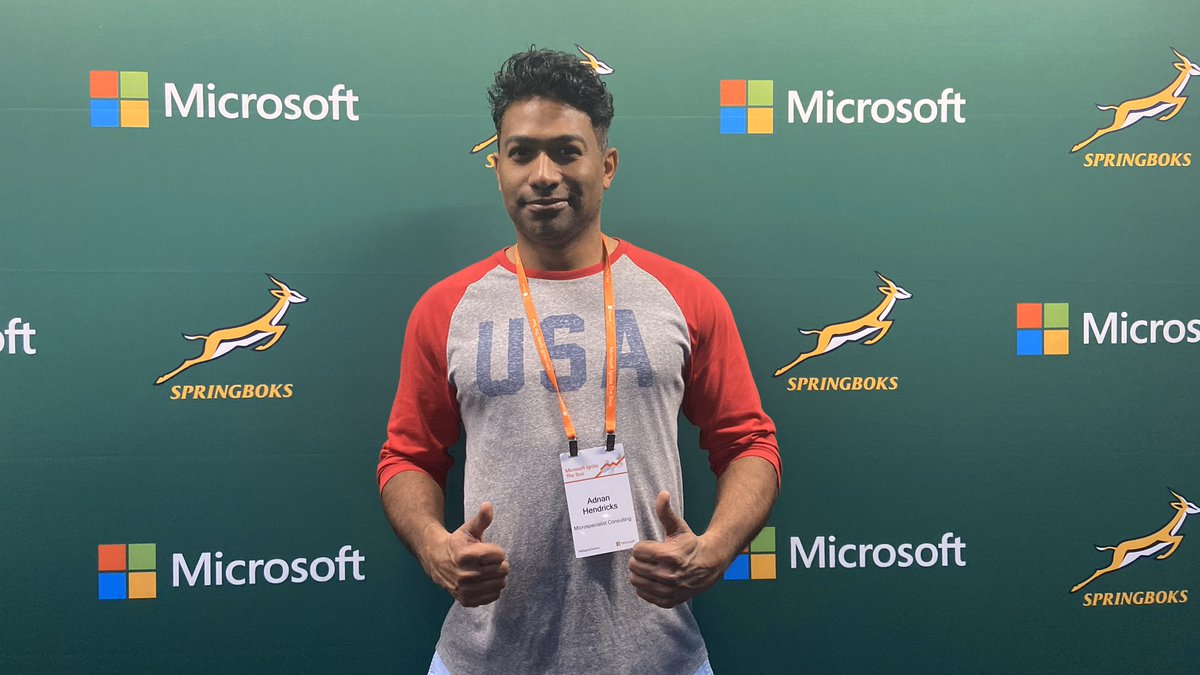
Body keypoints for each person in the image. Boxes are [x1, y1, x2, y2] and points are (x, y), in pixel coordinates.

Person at [377, 48, 781, 674]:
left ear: (607, 166)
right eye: (521, 153)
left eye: (567, 151)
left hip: (658, 658)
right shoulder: (446, 308)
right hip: (484, 658)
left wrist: (717, 549)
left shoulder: (685, 296)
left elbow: (748, 442)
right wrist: (435, 547)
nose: (543, 174)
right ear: (498, 167)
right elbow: (409, 456)